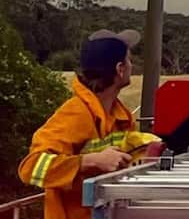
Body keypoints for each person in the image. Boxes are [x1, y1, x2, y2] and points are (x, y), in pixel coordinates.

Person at [18, 30, 143, 219]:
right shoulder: (76, 114)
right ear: (120, 69)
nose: (132, 66)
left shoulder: (122, 116)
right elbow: (30, 167)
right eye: (129, 60)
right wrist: (90, 161)